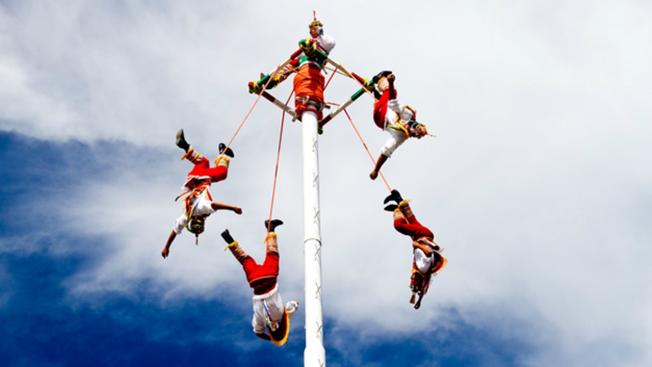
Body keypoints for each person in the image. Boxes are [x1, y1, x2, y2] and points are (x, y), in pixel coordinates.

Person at [161, 129, 242, 258]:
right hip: (192, 178)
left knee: (222, 173)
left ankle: (223, 153)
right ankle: (185, 146)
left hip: (201, 178)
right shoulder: (185, 217)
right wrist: (166, 247)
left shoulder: (201, 210)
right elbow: (174, 231)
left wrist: (233, 208)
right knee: (203, 162)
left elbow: (215, 205)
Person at [221, 219, 299, 345]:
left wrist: (272, 338)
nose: (274, 325)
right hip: (256, 281)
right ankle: (230, 240)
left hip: (267, 278)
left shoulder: (274, 317)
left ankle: (270, 228)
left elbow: (291, 307)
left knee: (271, 255)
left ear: (271, 328)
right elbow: (258, 332)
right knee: (246, 261)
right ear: (278, 325)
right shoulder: (261, 320)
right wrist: (272, 337)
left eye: (273, 328)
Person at [248, 17, 335, 120]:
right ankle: (272, 80)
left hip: (315, 58)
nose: (312, 31)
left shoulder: (325, 39)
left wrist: (319, 33)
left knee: (306, 51)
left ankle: (274, 80)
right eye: (311, 29)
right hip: (303, 61)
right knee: (288, 66)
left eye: (313, 28)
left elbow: (330, 44)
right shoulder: (309, 41)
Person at [384, 190, 446, 309]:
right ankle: (397, 210)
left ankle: (397, 197)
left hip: (424, 235)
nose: (412, 277)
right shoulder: (423, 267)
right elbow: (428, 252)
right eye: (414, 279)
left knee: (411, 218)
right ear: (419, 279)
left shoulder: (421, 271)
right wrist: (417, 245)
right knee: (399, 226)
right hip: (422, 236)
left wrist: (418, 301)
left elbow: (422, 292)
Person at [368, 72, 429, 180]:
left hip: (380, 118)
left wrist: (376, 170)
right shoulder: (408, 115)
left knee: (390, 93)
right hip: (384, 110)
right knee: (390, 96)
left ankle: (380, 81)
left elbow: (386, 152)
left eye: (415, 132)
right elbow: (394, 104)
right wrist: (391, 83)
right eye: (417, 127)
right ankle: (376, 90)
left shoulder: (401, 136)